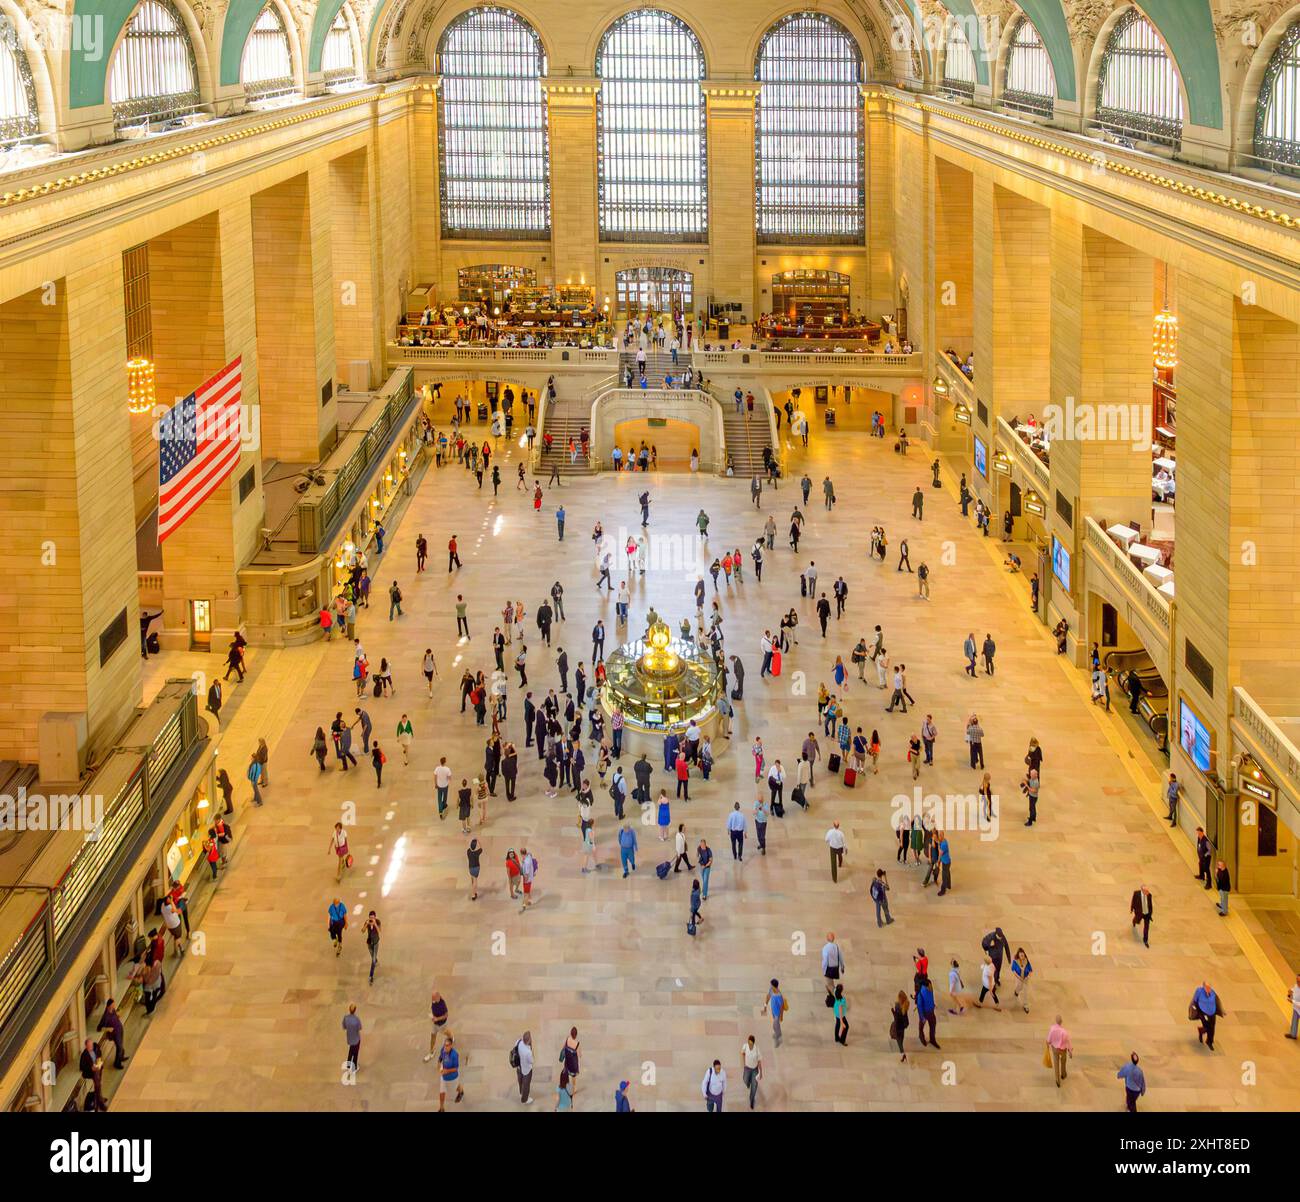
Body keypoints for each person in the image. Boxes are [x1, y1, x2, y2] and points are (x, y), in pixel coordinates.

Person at [1192, 981, 1222, 1049]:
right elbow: (1195, 1000)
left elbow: (1216, 1001)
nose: (1209, 989)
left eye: (1209, 987)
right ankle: (1201, 1030)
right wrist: (1196, 1009)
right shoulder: (1199, 991)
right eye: (1207, 987)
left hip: (1212, 1012)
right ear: (1203, 987)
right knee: (1207, 1026)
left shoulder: (1213, 992)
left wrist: (1220, 1010)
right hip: (1203, 1012)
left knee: (1212, 1027)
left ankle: (1209, 1041)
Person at [79, 1038, 107, 1111]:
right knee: (97, 1084)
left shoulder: (96, 1048)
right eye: (89, 1046)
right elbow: (82, 1067)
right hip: (90, 1072)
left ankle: (99, 1101)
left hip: (98, 1068)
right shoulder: (84, 1055)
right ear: (86, 1046)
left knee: (98, 1083)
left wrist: (99, 1061)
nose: (91, 1047)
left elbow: (99, 1054)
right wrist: (91, 1068)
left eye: (91, 1045)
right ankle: (99, 1103)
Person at [437, 1033, 463, 1109]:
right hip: (444, 1077)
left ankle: (461, 1092)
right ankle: (441, 1108)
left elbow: (456, 1068)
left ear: (451, 1046)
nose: (445, 1047)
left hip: (453, 1077)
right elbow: (440, 1057)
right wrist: (438, 1063)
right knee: (442, 1092)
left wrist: (447, 1071)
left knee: (456, 1087)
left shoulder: (454, 1055)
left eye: (447, 1045)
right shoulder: (443, 1049)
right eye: (445, 1045)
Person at [1046, 1015, 1073, 1086]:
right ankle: (1063, 1074)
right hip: (1063, 1049)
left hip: (1055, 1049)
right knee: (1063, 1061)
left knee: (1056, 1063)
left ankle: (1057, 1080)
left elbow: (1048, 1039)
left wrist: (1048, 1044)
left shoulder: (1052, 1029)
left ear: (1055, 1021)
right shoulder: (1064, 1032)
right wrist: (1070, 1051)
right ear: (1061, 1022)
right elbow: (1068, 1041)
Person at [513, 1030, 534, 1104]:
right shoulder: (528, 1052)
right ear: (528, 1041)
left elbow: (515, 1048)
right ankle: (524, 1099)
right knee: (526, 1084)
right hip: (526, 1070)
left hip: (519, 1067)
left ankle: (521, 1093)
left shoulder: (518, 1042)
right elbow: (531, 1061)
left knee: (520, 1080)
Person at [821, 932, 844, 998]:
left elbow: (825, 960)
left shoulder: (825, 948)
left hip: (829, 968)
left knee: (829, 984)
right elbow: (840, 957)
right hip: (835, 968)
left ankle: (836, 998)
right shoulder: (836, 946)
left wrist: (824, 969)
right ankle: (836, 994)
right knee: (831, 984)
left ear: (827, 938)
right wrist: (842, 967)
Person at [1010, 947, 1032, 1012]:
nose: (1022, 956)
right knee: (1019, 987)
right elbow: (1013, 971)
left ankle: (1026, 1005)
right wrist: (1019, 978)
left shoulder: (1026, 961)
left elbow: (1030, 970)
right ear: (1018, 955)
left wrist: (1028, 976)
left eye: (1023, 955)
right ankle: (1016, 992)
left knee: (1025, 992)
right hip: (1019, 978)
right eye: (1021, 955)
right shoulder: (1015, 962)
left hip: (1025, 979)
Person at [342, 1003, 362, 1073]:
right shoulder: (357, 1019)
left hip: (350, 1038)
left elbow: (344, 1027)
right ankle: (354, 1066)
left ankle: (348, 1065)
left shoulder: (346, 1018)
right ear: (355, 1010)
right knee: (355, 1052)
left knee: (351, 1050)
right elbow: (360, 1028)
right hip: (356, 1038)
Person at [890, 992, 909, 1061]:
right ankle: (903, 1055)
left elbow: (896, 1018)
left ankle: (904, 1055)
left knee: (899, 1043)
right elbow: (906, 1020)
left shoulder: (897, 1006)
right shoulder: (905, 1005)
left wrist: (892, 1010)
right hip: (902, 1028)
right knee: (901, 1040)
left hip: (897, 1027)